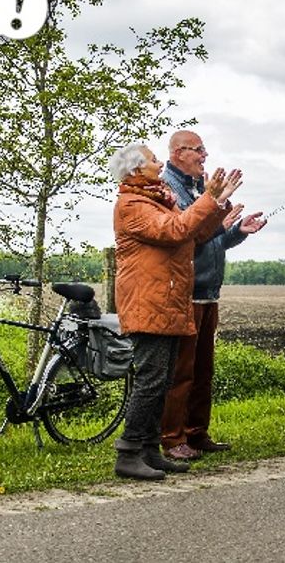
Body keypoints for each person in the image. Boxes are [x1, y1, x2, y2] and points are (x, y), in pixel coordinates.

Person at [109, 142, 242, 480]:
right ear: (137, 170)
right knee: (151, 380)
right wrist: (208, 200)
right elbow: (176, 230)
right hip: (148, 301)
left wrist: (218, 203)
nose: (158, 164)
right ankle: (128, 452)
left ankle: (150, 451)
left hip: (166, 301)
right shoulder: (133, 205)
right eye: (153, 160)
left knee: (163, 378)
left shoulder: (156, 200)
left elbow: (194, 235)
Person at [159, 130, 266, 461]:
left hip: (208, 292)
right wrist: (216, 207)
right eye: (198, 150)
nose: (205, 156)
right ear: (178, 153)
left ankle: (196, 432)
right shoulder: (169, 188)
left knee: (203, 370)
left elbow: (209, 238)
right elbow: (186, 235)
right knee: (182, 371)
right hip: (185, 294)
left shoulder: (196, 187)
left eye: (205, 150)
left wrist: (236, 232)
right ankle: (172, 437)